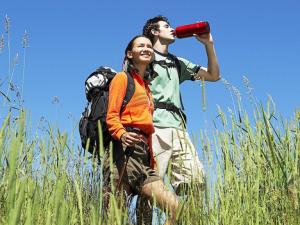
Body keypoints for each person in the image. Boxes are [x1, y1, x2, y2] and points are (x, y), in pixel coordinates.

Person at [140, 14, 220, 202]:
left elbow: (213, 76)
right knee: (151, 186)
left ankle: (184, 219)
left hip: (179, 130)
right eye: (166, 26)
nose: (171, 28)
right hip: (154, 127)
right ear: (154, 31)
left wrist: (209, 44)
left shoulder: (178, 62)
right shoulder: (145, 57)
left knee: (195, 183)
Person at [106, 35, 179, 225]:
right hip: (123, 152)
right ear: (130, 54)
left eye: (149, 46)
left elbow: (148, 128)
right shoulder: (122, 79)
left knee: (176, 208)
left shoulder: (146, 87)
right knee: (115, 217)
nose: (147, 48)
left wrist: (151, 158)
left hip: (144, 156)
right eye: (141, 46)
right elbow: (112, 115)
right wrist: (122, 134)